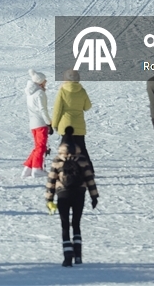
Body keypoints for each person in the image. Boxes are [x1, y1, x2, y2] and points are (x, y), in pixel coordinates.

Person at [44, 127, 98, 267]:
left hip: (63, 194)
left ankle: (67, 257)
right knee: (76, 224)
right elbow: (89, 179)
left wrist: (49, 199)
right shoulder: (82, 159)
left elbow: (51, 181)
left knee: (65, 225)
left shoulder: (57, 160)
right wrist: (94, 196)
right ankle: (78, 256)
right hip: (79, 194)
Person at [51, 69, 92, 170]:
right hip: (79, 125)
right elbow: (87, 106)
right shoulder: (82, 91)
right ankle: (89, 170)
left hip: (66, 126)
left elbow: (57, 110)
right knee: (82, 148)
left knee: (65, 149)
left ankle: (65, 169)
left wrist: (54, 124)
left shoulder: (62, 91)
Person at [23, 69, 53, 178]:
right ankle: (37, 169)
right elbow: (42, 110)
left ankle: (28, 168)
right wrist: (48, 123)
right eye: (44, 80)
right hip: (40, 123)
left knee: (37, 146)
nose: (46, 82)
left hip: (33, 123)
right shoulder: (40, 93)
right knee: (41, 146)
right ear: (40, 82)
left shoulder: (30, 93)